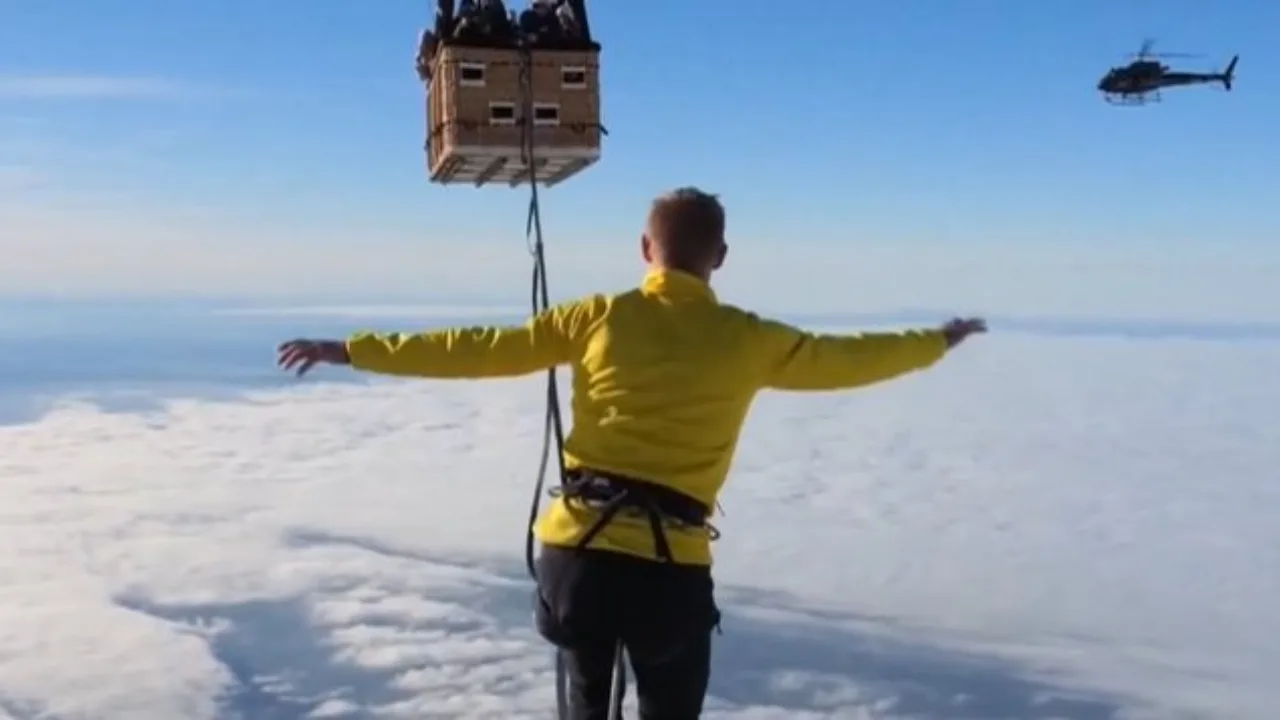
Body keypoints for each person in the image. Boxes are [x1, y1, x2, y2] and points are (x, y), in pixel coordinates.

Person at [276, 187, 987, 719]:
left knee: (585, 699)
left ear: (646, 251)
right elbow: (849, 360)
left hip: (577, 560)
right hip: (669, 573)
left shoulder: (598, 317)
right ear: (721, 258)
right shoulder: (751, 339)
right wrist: (935, 341)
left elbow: (480, 349)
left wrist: (351, 350)